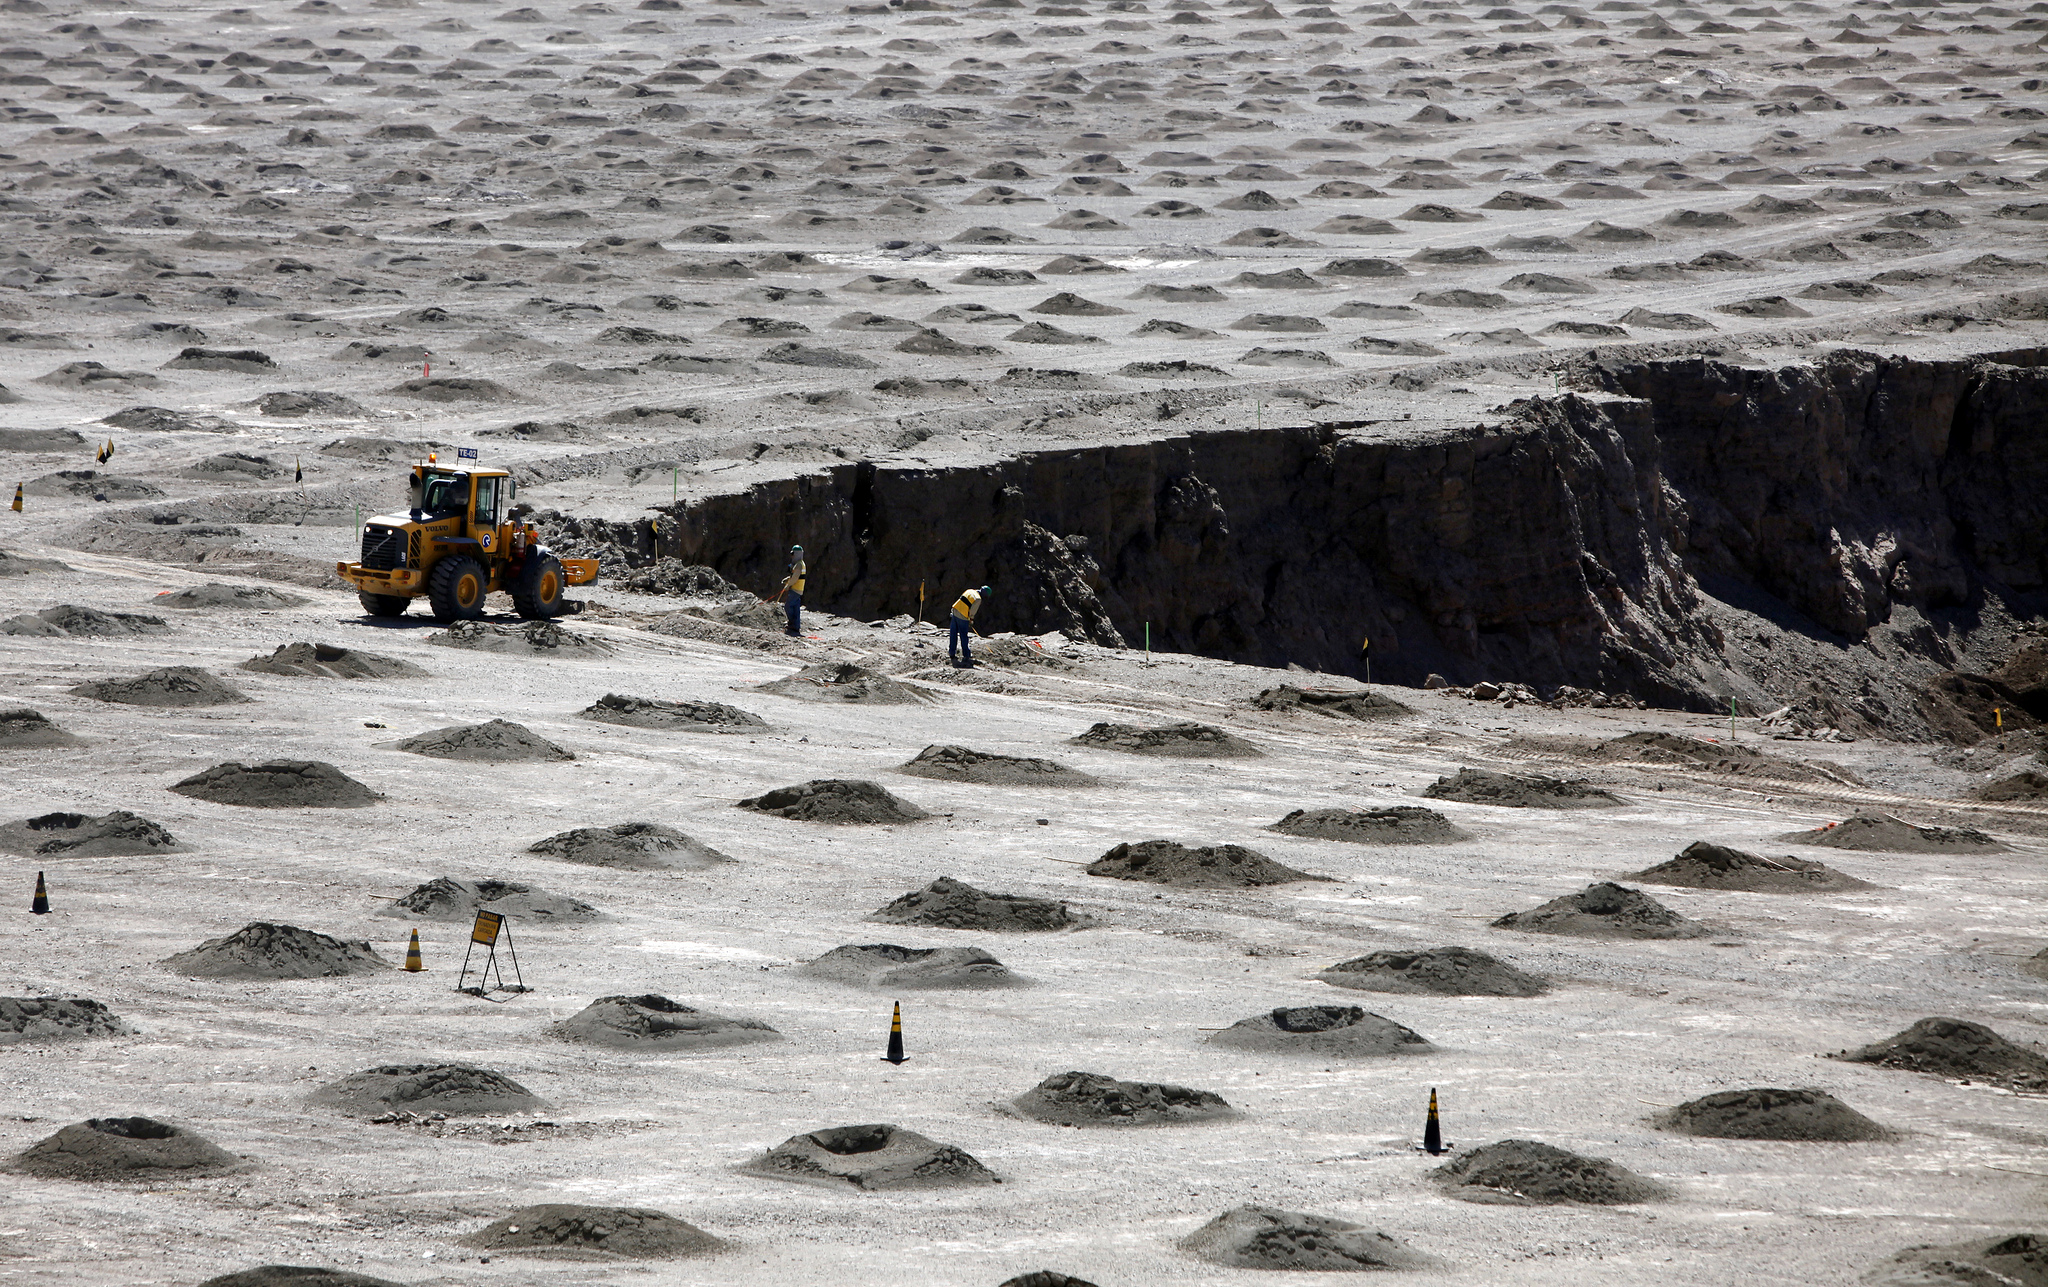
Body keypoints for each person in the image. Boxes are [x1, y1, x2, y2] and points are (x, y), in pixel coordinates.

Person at [949, 584, 989, 668]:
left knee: (953, 633)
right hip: (962, 616)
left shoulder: (970, 590)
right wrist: (971, 620)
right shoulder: (978, 599)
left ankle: (952, 653)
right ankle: (966, 655)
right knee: (963, 636)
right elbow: (972, 612)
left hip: (955, 611)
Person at [778, 544, 805, 636]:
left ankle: (792, 624)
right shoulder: (801, 564)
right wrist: (787, 580)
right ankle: (795, 626)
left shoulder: (798, 565)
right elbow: (794, 576)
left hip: (795, 589)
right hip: (799, 589)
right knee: (796, 608)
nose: (792, 556)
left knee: (788, 606)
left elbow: (795, 578)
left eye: (792, 553)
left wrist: (788, 585)